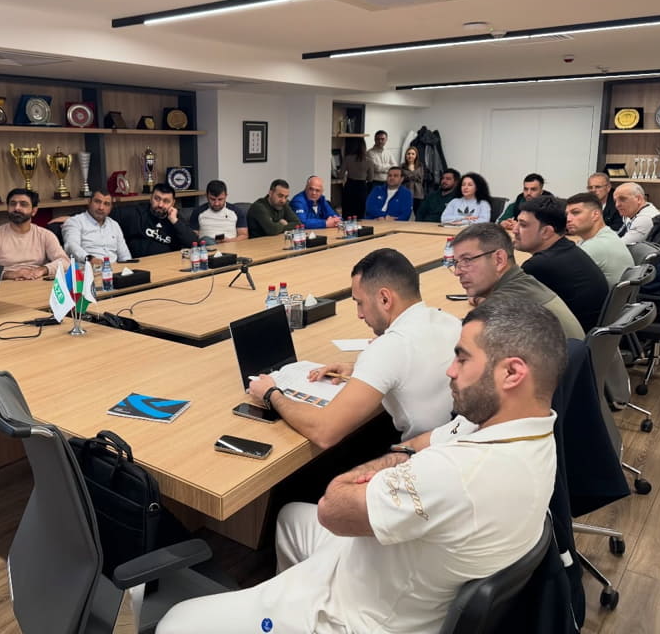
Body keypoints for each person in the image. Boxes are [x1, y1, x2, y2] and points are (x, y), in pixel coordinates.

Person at [157, 297, 563, 634]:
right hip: (396, 567)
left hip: (363, 615)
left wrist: (371, 476)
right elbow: (419, 443)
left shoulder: (458, 473)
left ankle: (294, 614)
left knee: (175, 622)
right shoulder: (525, 430)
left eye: (462, 358)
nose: (449, 370)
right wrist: (399, 463)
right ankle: (280, 607)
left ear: (512, 373)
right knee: (291, 518)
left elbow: (334, 506)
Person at [248, 248, 460, 449]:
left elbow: (324, 432)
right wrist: (359, 368)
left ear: (385, 299)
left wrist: (271, 394)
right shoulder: (450, 321)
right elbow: (413, 364)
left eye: (360, 303)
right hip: (456, 442)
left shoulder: (389, 348)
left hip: (423, 458)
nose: (359, 314)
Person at [450, 223, 584, 338]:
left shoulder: (503, 306)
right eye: (456, 262)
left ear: (499, 260)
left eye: (467, 260)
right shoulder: (524, 285)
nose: (457, 272)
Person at [513, 196, 609, 333]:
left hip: (569, 341)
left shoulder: (539, 266)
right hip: (591, 337)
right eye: (517, 222)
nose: (515, 230)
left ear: (546, 232)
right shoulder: (567, 248)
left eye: (523, 225)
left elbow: (508, 312)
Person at [0, 188, 70, 279]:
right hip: (6, 284)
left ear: (34, 211)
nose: (17, 208)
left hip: (37, 281)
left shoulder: (45, 235)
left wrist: (43, 269)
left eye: (23, 204)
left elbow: (65, 262)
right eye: (13, 204)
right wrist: (11, 274)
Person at [565, 192, 633, 287]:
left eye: (575, 212)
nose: (568, 219)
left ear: (595, 215)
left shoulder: (596, 245)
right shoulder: (605, 235)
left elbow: (561, 275)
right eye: (567, 214)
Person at [115, 182, 196, 257]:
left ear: (173, 203)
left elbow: (193, 243)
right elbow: (109, 216)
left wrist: (175, 221)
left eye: (166, 201)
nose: (160, 205)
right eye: (157, 199)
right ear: (151, 198)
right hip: (139, 264)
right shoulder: (136, 213)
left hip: (168, 264)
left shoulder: (175, 218)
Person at [61, 189, 132, 264]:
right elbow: (71, 247)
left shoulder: (114, 225)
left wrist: (130, 267)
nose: (101, 207)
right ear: (89, 202)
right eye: (97, 202)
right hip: (88, 268)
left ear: (110, 208)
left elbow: (125, 256)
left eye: (106, 204)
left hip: (114, 268)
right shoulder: (75, 222)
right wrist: (90, 259)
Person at [338, 137, 374, 219]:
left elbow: (340, 175)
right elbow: (370, 178)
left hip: (350, 185)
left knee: (347, 211)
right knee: (360, 212)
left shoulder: (348, 159)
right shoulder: (369, 161)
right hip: (362, 187)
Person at [400, 145, 425, 217]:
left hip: (418, 193)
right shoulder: (402, 166)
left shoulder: (420, 166)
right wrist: (411, 177)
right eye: (408, 154)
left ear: (416, 155)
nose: (410, 156)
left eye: (413, 154)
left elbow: (421, 179)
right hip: (405, 192)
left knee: (418, 213)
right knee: (404, 213)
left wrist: (409, 177)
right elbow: (400, 179)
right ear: (406, 155)